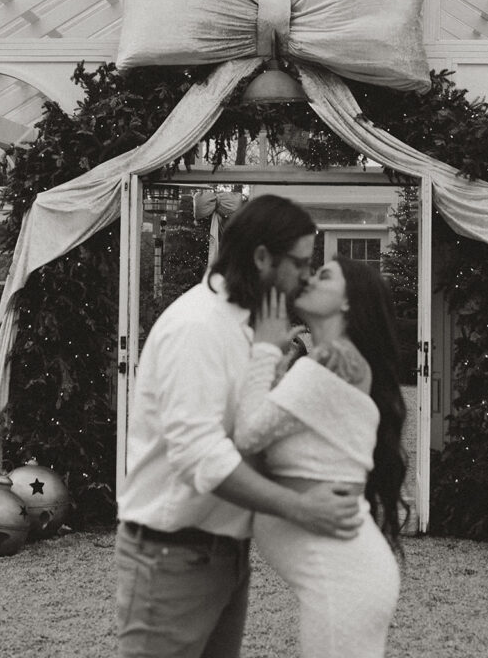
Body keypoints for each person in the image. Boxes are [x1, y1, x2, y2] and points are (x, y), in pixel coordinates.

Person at [115, 194, 362, 658]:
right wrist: (300, 507)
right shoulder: (197, 327)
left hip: (224, 552)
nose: (305, 276)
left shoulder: (248, 326)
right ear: (262, 257)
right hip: (172, 558)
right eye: (299, 263)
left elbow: (250, 432)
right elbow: (199, 455)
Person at [234, 254, 409, 658]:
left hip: (343, 579)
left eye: (325, 276)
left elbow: (247, 435)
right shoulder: (333, 360)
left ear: (348, 301)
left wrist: (263, 350)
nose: (310, 279)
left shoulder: (329, 363)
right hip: (348, 573)